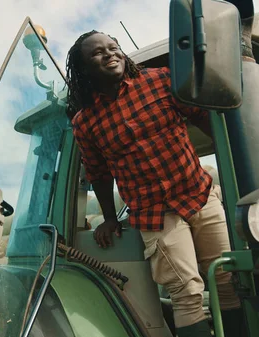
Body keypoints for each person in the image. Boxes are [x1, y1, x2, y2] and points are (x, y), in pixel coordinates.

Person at [65, 30, 244, 337]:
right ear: (84, 70)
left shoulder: (160, 80)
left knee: (228, 280)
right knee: (186, 292)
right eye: (98, 53)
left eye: (114, 47)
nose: (110, 54)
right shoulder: (85, 121)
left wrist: (236, 156)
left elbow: (203, 117)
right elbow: (99, 174)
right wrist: (109, 218)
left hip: (199, 194)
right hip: (155, 214)